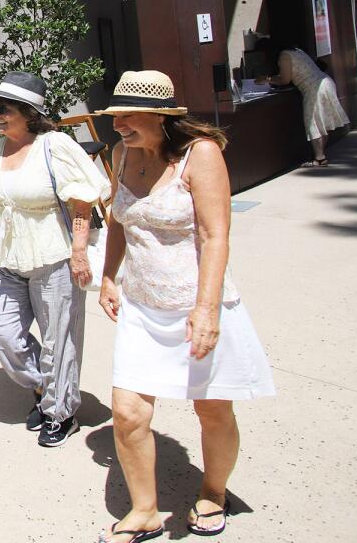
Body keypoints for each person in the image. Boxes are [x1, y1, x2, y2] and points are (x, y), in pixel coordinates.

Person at [94, 70, 274, 542]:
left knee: (212, 411)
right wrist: (109, 275)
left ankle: (214, 492)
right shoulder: (121, 154)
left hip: (197, 303)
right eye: (115, 117)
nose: (118, 125)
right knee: (129, 412)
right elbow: (117, 222)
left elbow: (216, 235)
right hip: (142, 307)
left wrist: (207, 309)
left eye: (128, 116)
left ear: (161, 116)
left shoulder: (201, 155)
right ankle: (145, 510)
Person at [0, 72, 110, 448]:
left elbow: (82, 201)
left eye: (3, 108)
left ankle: (60, 413)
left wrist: (79, 252)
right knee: (0, 332)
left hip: (54, 257)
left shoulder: (55, 146)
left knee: (58, 340)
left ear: (28, 112)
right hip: (10, 259)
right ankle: (46, 387)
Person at [253, 39, 349, 166]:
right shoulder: (296, 51)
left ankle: (319, 158)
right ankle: (321, 155)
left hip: (313, 88)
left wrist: (266, 79)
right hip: (325, 83)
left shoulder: (284, 56)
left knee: (313, 123)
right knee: (323, 122)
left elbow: (285, 79)